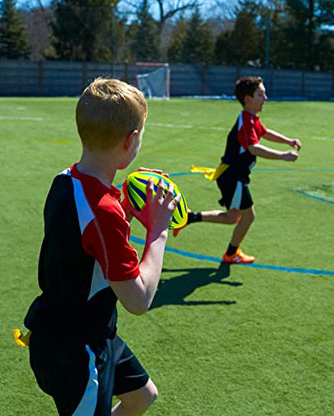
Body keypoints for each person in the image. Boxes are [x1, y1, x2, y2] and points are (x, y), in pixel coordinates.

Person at [22, 78, 180, 415]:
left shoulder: (66, 179)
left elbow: (90, 236)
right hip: (76, 352)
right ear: (131, 140)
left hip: (85, 331)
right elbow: (139, 300)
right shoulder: (105, 213)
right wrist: (158, 231)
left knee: (142, 396)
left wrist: (129, 208)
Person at [174, 76, 301, 264]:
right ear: (248, 99)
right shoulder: (245, 120)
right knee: (248, 217)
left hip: (232, 176)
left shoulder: (251, 119)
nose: (265, 98)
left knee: (232, 217)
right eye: (261, 94)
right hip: (233, 176)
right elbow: (253, 147)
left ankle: (188, 217)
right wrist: (283, 155)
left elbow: (265, 133)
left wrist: (288, 141)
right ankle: (231, 254)